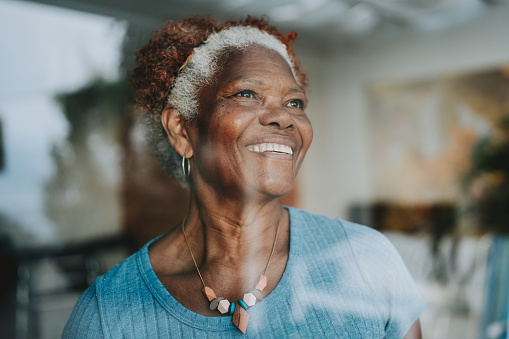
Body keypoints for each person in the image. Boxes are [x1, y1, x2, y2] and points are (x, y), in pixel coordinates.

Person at [63, 16, 426, 338]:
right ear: (181, 129)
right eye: (247, 94)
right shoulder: (107, 316)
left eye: (294, 103)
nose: (283, 117)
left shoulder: (367, 261)